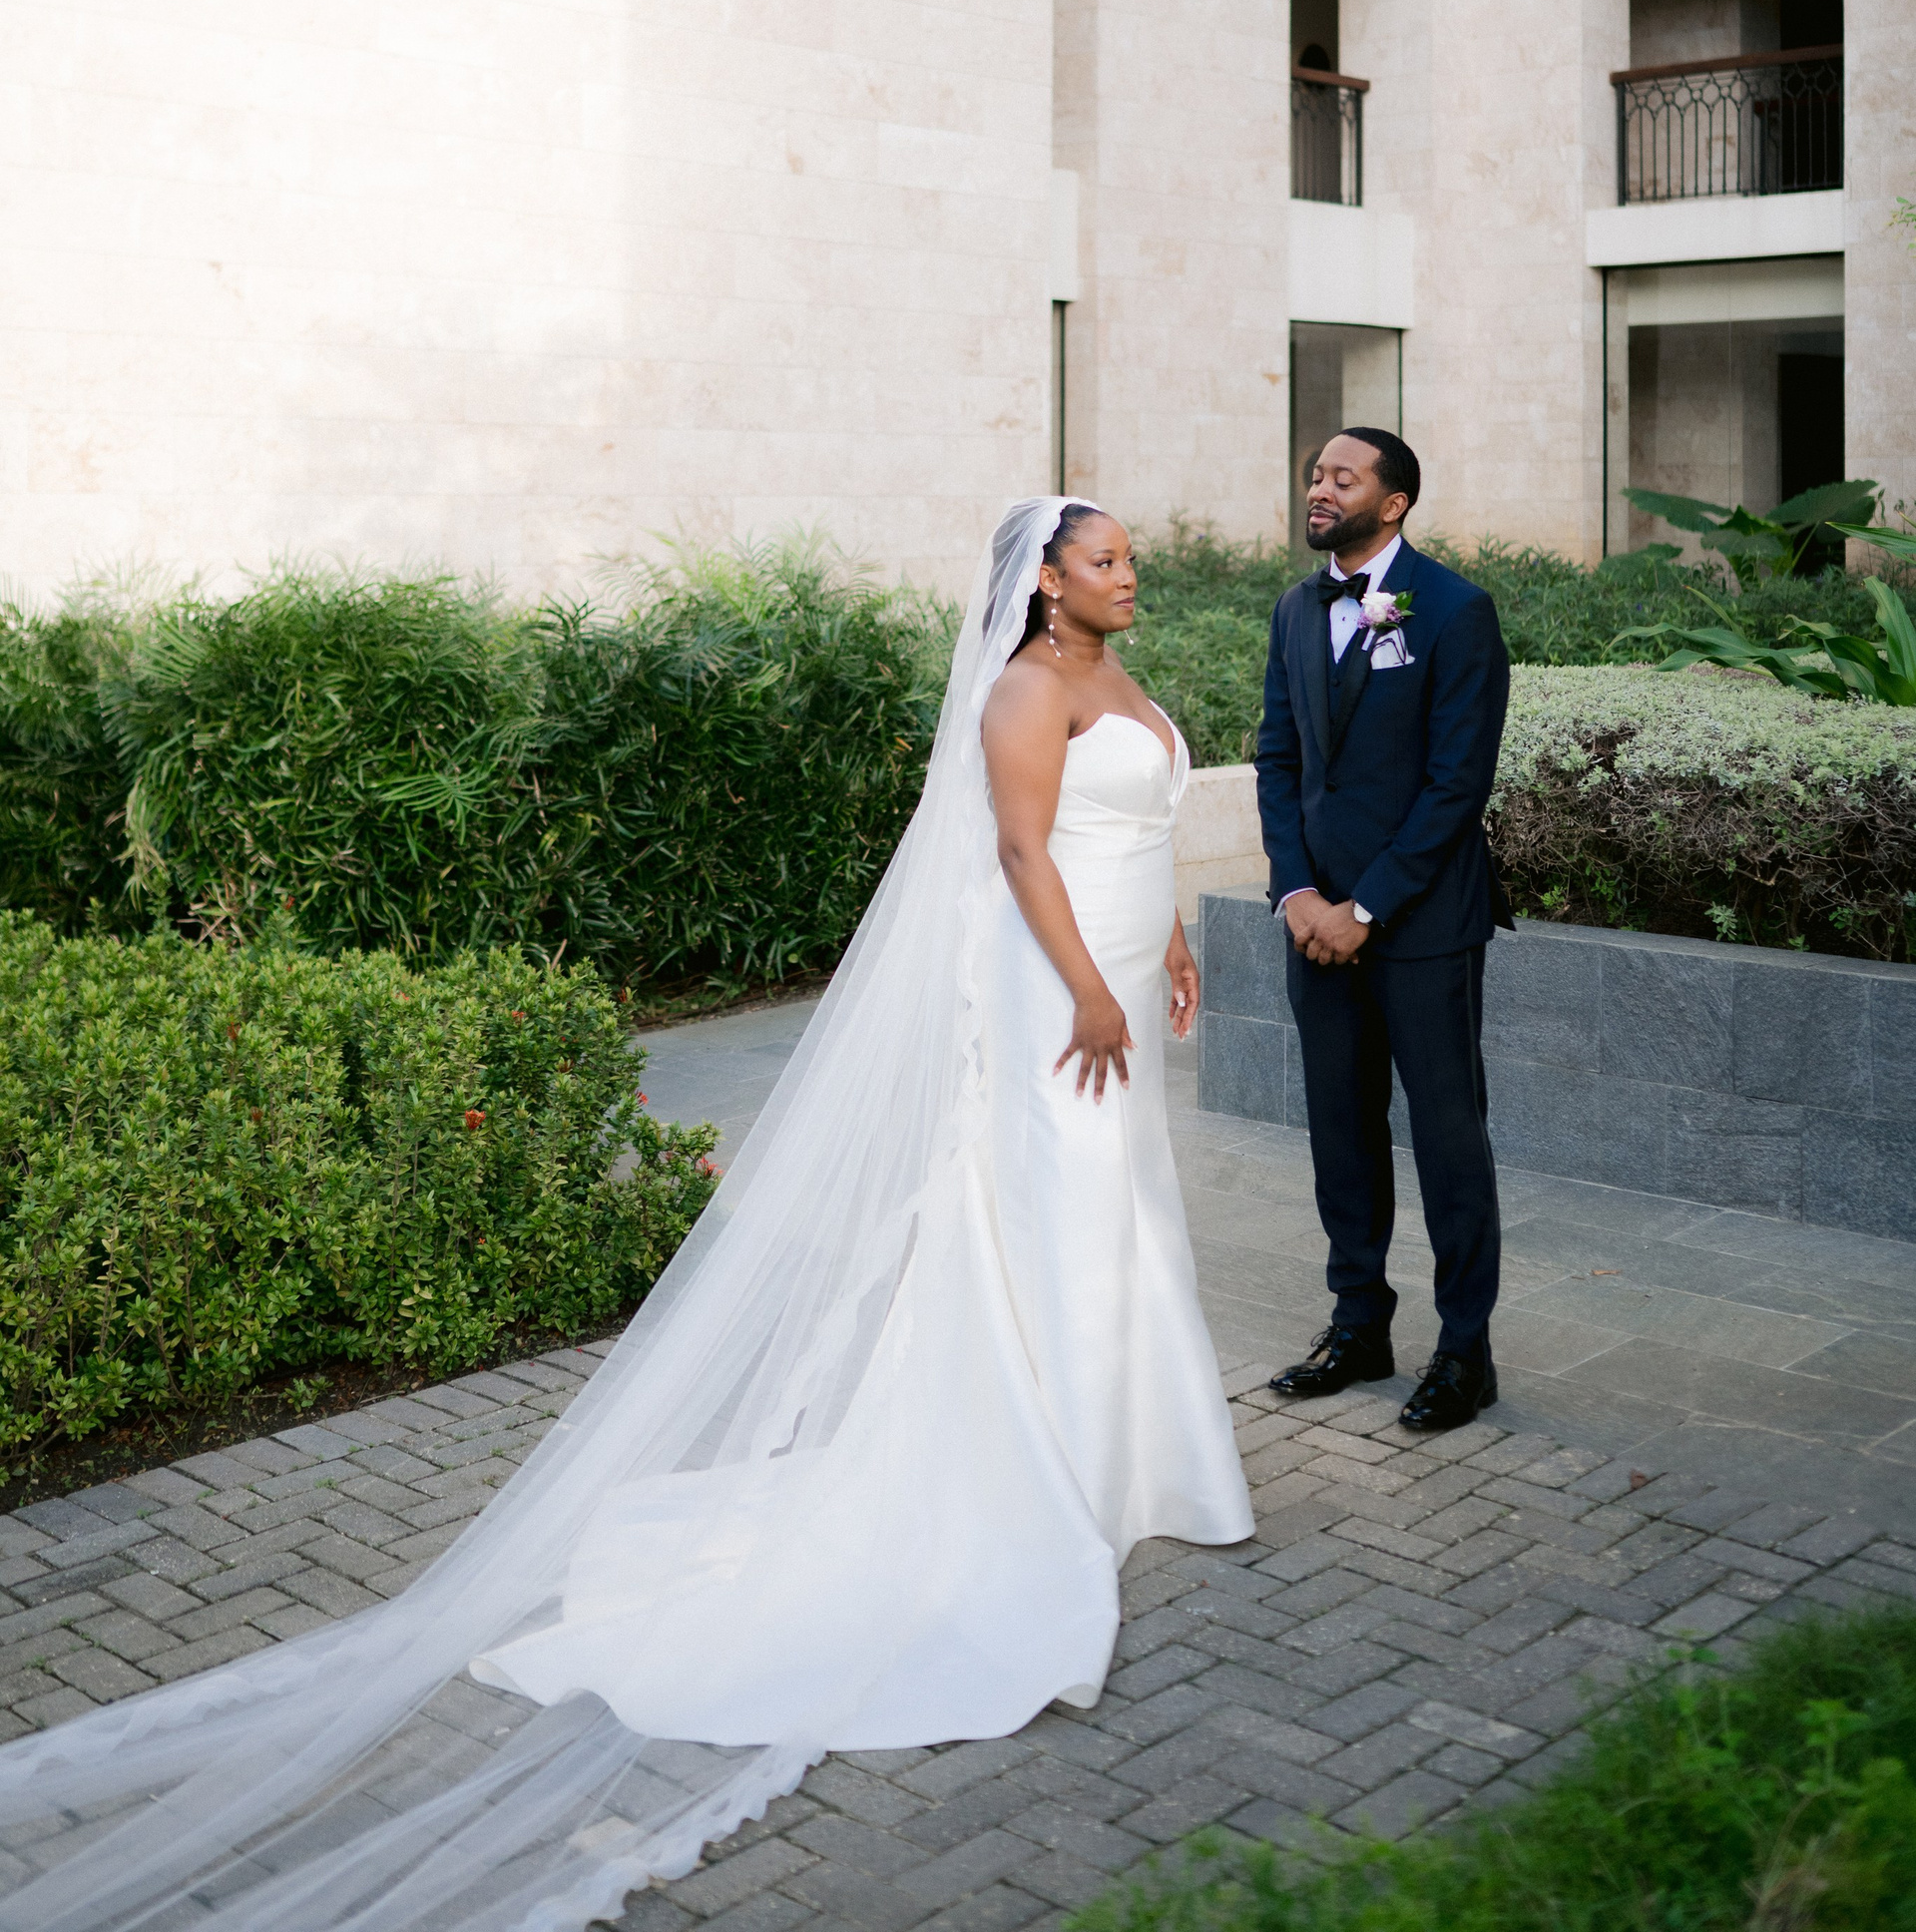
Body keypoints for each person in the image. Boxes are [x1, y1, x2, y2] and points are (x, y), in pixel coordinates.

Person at [0, 499, 1249, 1932]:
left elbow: (1133, 827)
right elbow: (1025, 854)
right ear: (1044, 582)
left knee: (1127, 1205)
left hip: (1118, 972)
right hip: (1054, 990)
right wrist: (1087, 985)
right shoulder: (1027, 689)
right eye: (1106, 560)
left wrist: (1163, 944)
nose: (1130, 575)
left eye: (1129, 558)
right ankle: (1055, 1466)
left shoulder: (1119, 677)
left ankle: (1135, 1456)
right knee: (1061, 1211)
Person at [1255, 429, 1512, 1435]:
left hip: (1422, 926)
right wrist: (1297, 894)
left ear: (1394, 502)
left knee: (1448, 1139)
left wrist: (1364, 908)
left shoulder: (1453, 609)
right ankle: (1359, 1323)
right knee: (1341, 1130)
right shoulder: (1294, 608)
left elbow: (1457, 783)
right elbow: (1279, 759)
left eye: (1342, 477)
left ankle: (1465, 1351)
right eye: (1315, 475)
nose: (1319, 488)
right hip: (1314, 926)